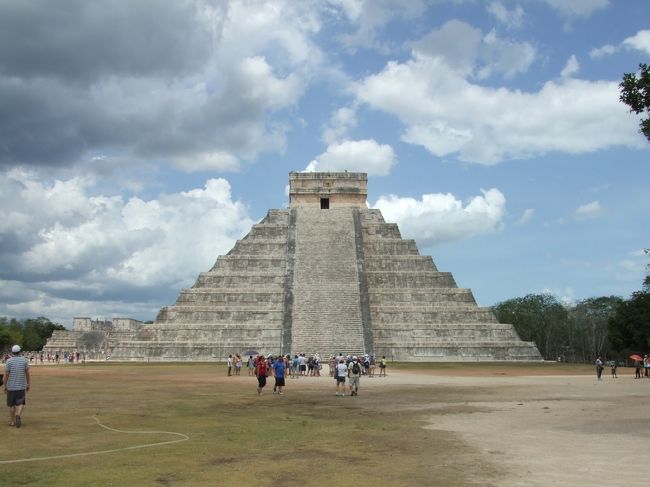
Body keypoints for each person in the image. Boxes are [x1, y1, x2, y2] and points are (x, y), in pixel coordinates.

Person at [3, 345, 30, 428]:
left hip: (11, 386)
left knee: (11, 405)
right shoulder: (24, 360)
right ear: (20, 352)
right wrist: (28, 384)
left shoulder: (9, 361)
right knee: (20, 403)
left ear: (12, 352)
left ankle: (12, 421)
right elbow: (27, 373)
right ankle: (18, 415)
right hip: (21, 386)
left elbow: (6, 375)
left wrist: (5, 385)